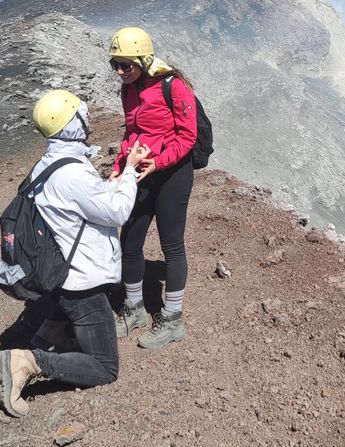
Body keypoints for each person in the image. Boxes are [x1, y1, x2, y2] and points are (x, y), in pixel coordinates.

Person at [0, 89, 149, 417]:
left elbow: (81, 207)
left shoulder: (51, 163)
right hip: (82, 283)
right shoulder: (73, 171)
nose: (88, 118)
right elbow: (117, 212)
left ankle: (44, 337)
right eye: (82, 114)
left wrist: (111, 184)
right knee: (105, 367)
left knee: (68, 313)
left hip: (62, 273)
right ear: (71, 124)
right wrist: (132, 171)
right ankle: (29, 361)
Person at [108, 27, 198, 349]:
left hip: (172, 174)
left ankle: (173, 320)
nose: (120, 72)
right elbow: (132, 132)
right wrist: (120, 168)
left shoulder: (173, 85)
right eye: (114, 64)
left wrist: (159, 163)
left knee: (171, 245)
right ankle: (134, 310)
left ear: (143, 60)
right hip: (141, 171)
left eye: (126, 65)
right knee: (129, 240)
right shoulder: (128, 90)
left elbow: (188, 137)